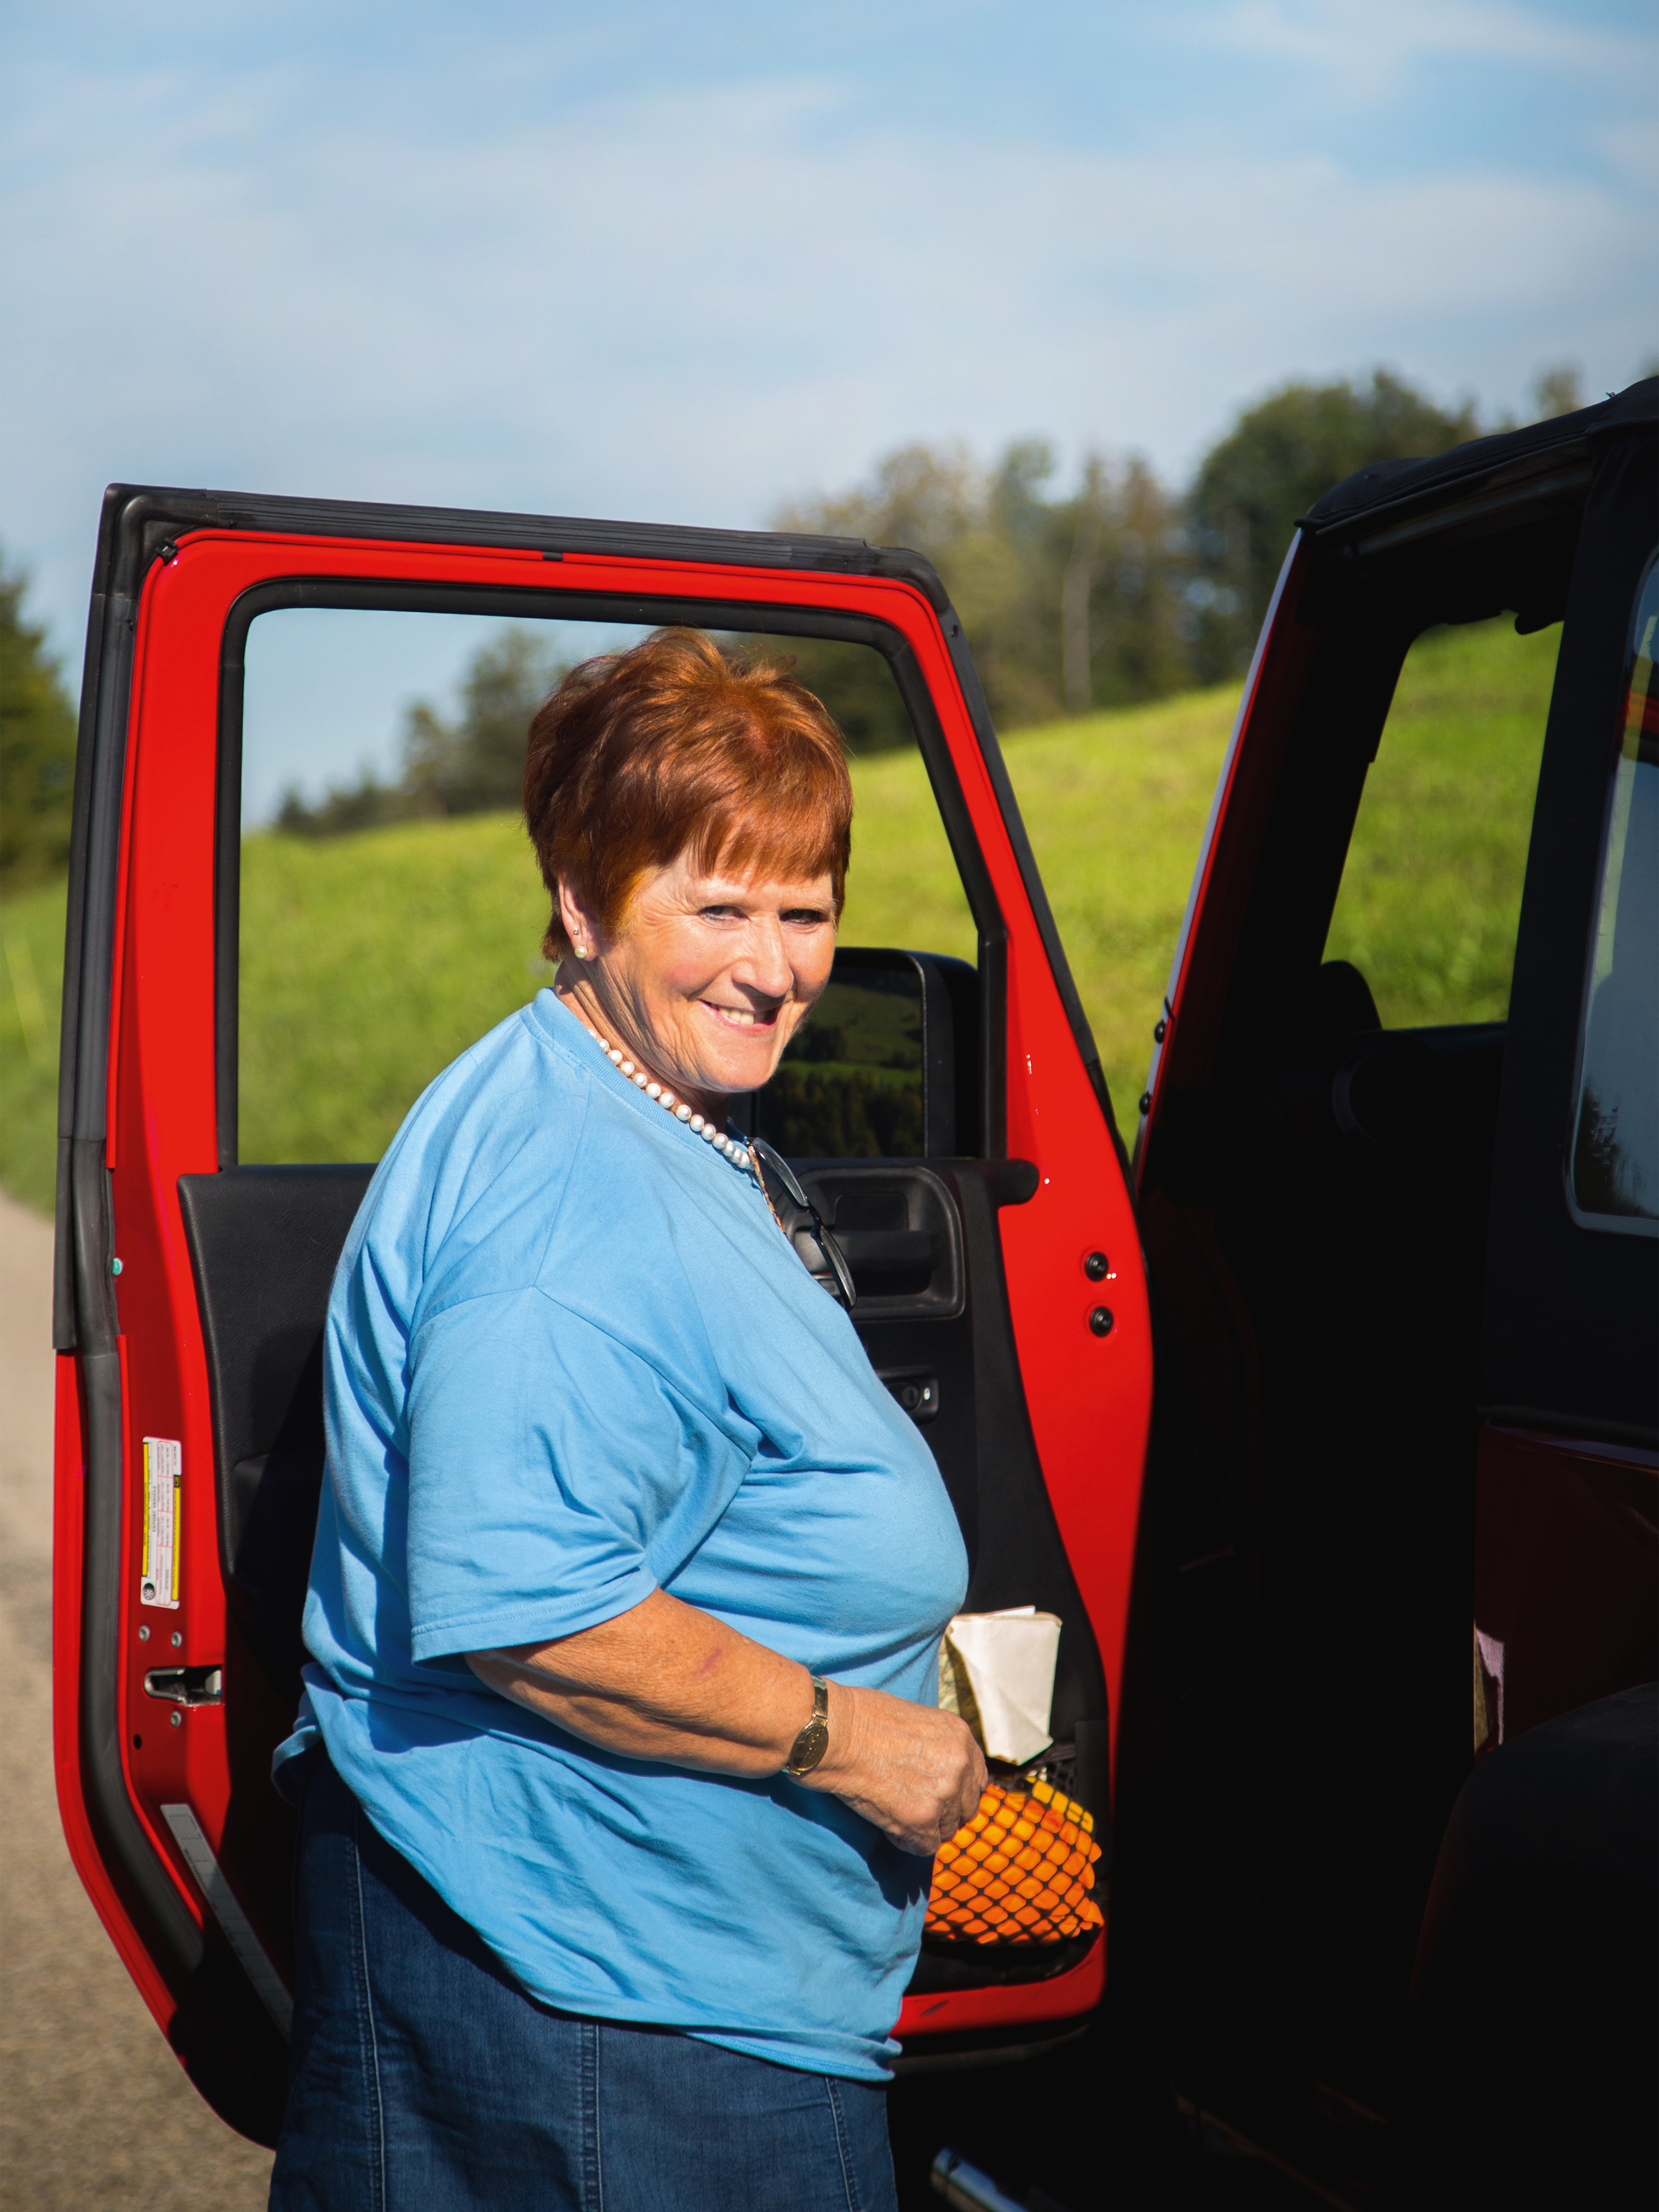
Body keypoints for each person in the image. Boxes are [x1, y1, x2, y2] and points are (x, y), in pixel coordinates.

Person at [269, 628, 985, 2211]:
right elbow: (536, 1615)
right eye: (715, 905)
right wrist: (852, 1738)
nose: (774, 963)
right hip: (603, 2011)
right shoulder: (568, 1212)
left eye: (805, 912)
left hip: (646, 1978)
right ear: (585, 904)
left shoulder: (626, 1095)